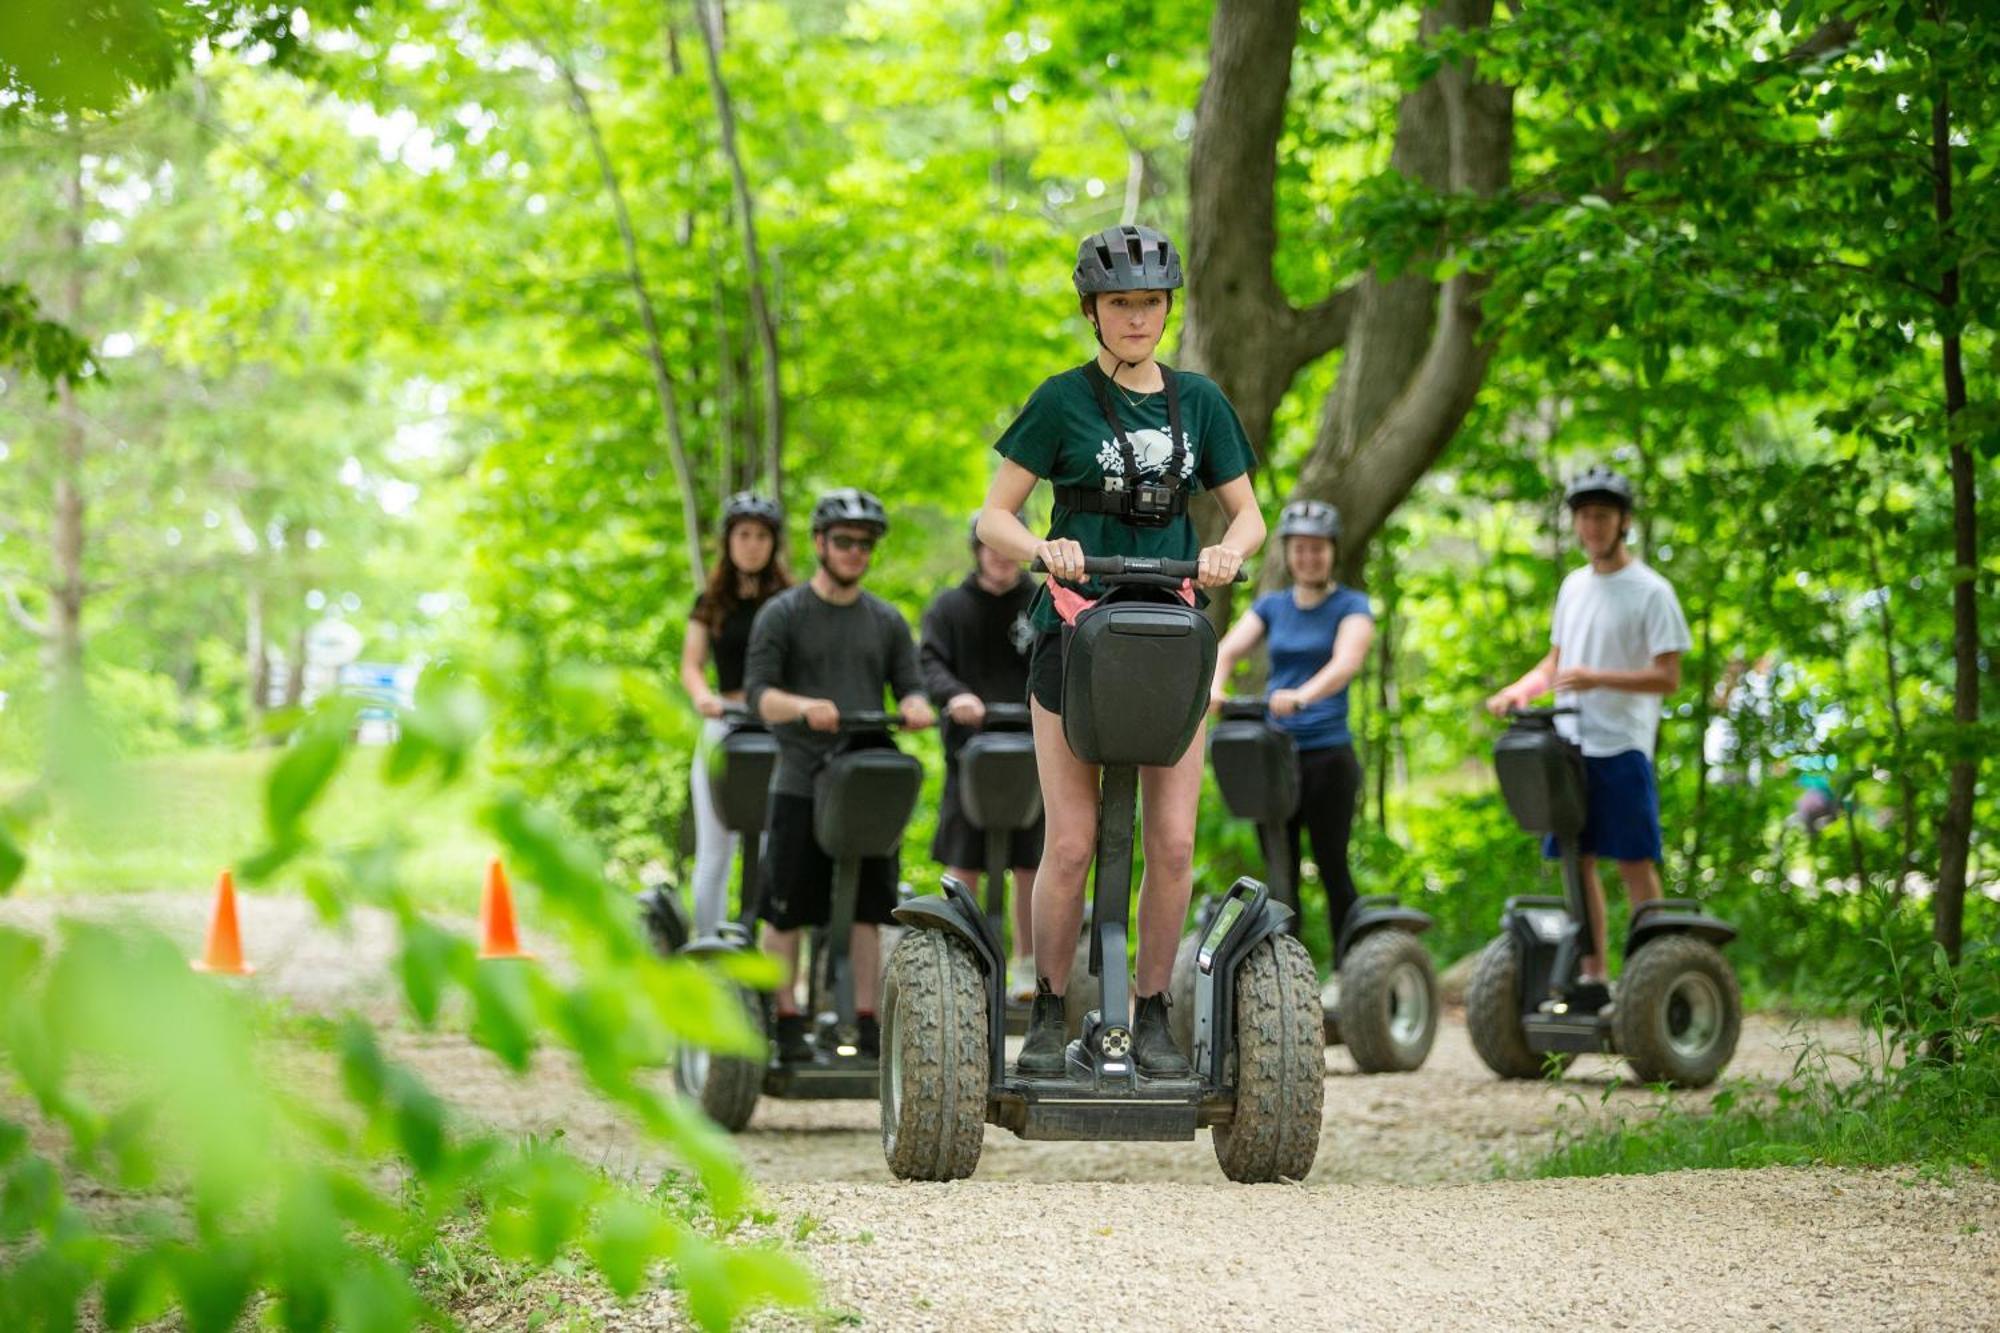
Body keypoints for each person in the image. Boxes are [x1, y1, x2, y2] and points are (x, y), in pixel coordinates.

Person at [976, 223, 1265, 1077]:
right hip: (1076, 632)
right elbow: (992, 513)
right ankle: (1050, 1007)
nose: (1137, 317)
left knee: (1173, 843)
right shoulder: (1060, 399)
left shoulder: (1201, 402)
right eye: (1119, 303)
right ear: (1093, 311)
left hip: (1168, 637)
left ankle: (1148, 1013)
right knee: (1069, 843)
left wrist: (1229, 550)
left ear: (1167, 308)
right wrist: (1042, 547)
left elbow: (1247, 512)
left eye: (1149, 302)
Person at [742, 488, 936, 1061]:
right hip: (802, 779)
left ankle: (866, 1023)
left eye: (865, 545)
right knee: (787, 906)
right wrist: (803, 706)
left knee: (870, 907)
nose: (855, 553)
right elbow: (759, 695)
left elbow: (913, 685)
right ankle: (787, 1020)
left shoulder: (885, 619)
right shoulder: (784, 613)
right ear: (820, 544)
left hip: (865, 785)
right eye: (845, 542)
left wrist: (918, 705)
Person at [1486, 466, 1691, 987]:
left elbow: (1668, 677)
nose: (1592, 527)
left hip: (1621, 747)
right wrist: (1520, 691)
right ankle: (1593, 974)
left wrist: (1599, 678)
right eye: (1584, 517)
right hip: (1568, 748)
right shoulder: (1574, 586)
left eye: (1602, 516)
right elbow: (1555, 664)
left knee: (1633, 865)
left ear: (1623, 522)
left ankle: (1656, 973)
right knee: (1576, 863)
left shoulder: (1651, 591)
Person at [1210, 499, 1374, 950]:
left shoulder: (1352, 605)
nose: (1308, 557)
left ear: (1332, 552)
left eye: (1317, 549)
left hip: (1327, 756)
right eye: (1300, 549)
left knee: (1331, 864)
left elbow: (1345, 663)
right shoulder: (1273, 606)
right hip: (1273, 756)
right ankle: (1287, 974)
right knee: (1280, 868)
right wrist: (1215, 688)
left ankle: (1349, 966)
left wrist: (1303, 695)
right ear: (1287, 553)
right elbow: (1225, 650)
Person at [920, 514, 1043, 1004]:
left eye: (1006, 546)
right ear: (977, 548)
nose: (998, 555)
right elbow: (927, 661)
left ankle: (1029, 966)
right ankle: (961, 958)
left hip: (1033, 754)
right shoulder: (949, 607)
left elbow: (1062, 657)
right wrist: (955, 695)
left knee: (1033, 862)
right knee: (963, 858)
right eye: (989, 545)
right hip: (969, 753)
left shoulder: (1042, 602)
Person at [679, 492, 790, 935]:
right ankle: (706, 949)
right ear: (728, 541)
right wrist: (703, 696)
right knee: (715, 848)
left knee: (768, 846)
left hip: (773, 728)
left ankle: (760, 952)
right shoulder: (711, 600)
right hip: (723, 725)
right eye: (743, 534)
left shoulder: (788, 600)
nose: (752, 544)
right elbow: (691, 662)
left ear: (773, 543)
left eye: (762, 536)